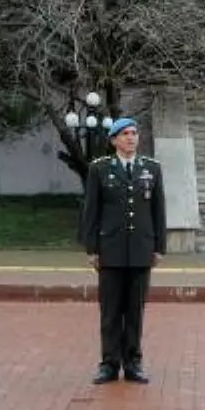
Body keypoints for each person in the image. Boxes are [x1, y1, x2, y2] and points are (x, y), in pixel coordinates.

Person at [79, 117, 166, 385]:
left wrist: (159, 246)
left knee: (135, 310)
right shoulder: (100, 169)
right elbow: (91, 210)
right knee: (110, 311)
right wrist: (92, 247)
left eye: (134, 133)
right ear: (114, 140)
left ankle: (133, 362)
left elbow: (158, 210)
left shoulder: (151, 169)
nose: (131, 138)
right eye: (125, 134)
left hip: (140, 248)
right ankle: (109, 363)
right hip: (111, 249)